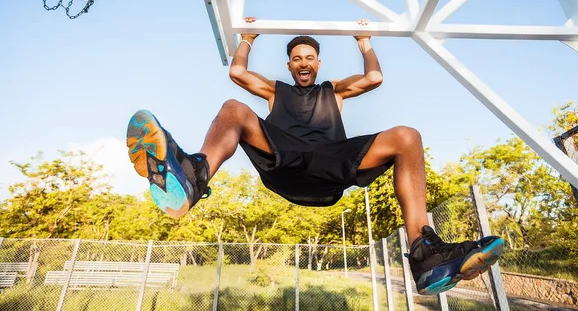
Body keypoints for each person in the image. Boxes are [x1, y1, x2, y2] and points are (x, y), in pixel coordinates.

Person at [126, 18, 504, 295]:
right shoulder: (275, 91)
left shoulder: (334, 91)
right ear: (290, 65)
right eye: (296, 58)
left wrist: (364, 42)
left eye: (309, 57)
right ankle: (193, 178)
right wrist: (247, 38)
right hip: (283, 160)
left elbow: (373, 79)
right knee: (233, 108)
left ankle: (425, 254)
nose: (303, 62)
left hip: (329, 166)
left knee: (407, 137)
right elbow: (238, 71)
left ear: (318, 64)